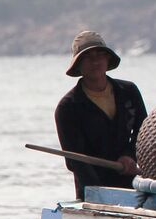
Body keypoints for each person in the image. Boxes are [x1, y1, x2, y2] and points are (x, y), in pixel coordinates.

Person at [54, 30, 148, 200]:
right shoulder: (68, 107)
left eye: (100, 55)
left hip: (131, 184)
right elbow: (75, 160)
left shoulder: (128, 92)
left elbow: (144, 132)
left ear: (107, 59)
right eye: (88, 57)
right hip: (91, 191)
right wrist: (101, 194)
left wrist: (129, 156)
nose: (95, 61)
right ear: (78, 65)